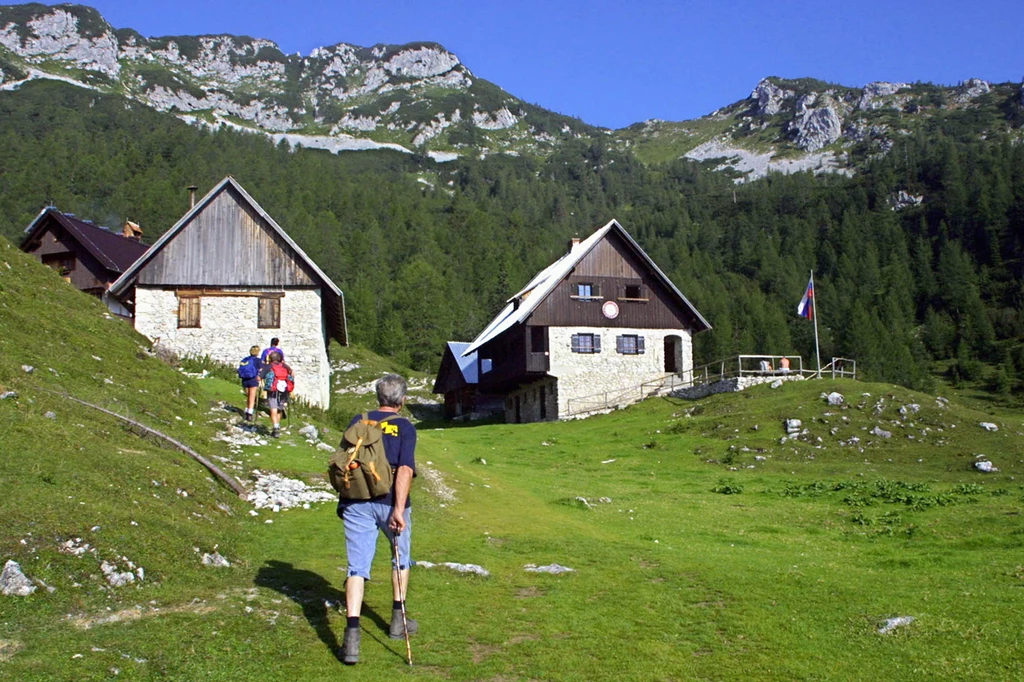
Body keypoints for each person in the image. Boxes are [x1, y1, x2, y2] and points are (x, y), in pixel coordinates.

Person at [338, 374, 418, 665]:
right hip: (389, 502)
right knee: (400, 559)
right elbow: (405, 470)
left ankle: (352, 640)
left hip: (355, 501)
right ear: (402, 400)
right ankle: (398, 622)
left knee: (357, 566)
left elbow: (345, 462)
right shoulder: (405, 427)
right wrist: (398, 510)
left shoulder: (357, 422)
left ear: (378, 397)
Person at [259, 350, 292, 438]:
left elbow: (259, 377)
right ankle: (277, 426)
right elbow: (292, 375)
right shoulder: (286, 366)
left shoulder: (268, 366)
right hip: (284, 391)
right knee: (279, 409)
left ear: (270, 358)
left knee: (273, 408)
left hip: (272, 390)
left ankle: (275, 428)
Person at [238, 345, 263, 422]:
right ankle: (249, 413)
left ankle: (247, 410)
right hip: (253, 379)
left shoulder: (245, 359)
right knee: (252, 396)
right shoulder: (258, 360)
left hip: (245, 379)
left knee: (248, 395)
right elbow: (261, 369)